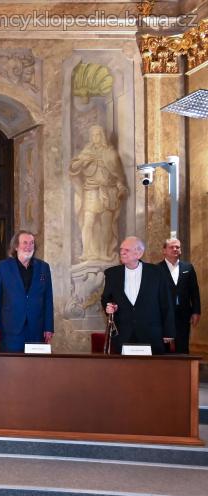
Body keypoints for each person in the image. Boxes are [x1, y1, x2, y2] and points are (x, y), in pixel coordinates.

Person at [102, 236, 175, 355]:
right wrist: (110, 306)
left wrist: (169, 332)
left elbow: (166, 303)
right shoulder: (112, 273)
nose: (122, 252)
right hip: (123, 334)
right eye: (121, 249)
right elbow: (106, 298)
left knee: (152, 367)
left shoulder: (157, 272)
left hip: (151, 334)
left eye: (127, 250)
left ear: (139, 253)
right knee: (123, 367)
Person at [69, 125, 128, 262]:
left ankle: (104, 252)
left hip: (108, 191)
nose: (96, 138)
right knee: (88, 220)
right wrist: (82, 161)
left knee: (106, 222)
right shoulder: (87, 151)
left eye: (98, 135)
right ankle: (86, 251)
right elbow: (73, 168)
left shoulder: (110, 153)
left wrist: (121, 187)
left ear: (103, 136)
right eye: (93, 135)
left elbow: (118, 175)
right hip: (91, 190)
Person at [0, 230, 54, 352]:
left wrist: (49, 327)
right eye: (25, 243)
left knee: (35, 363)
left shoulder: (43, 267)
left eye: (32, 243)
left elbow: (48, 299)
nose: (29, 246)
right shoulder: (2, 267)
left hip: (36, 329)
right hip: (10, 329)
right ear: (16, 246)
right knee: (12, 363)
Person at [158, 238, 201, 354]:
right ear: (164, 250)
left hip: (184, 313)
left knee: (182, 346)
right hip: (163, 315)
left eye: (177, 247)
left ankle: (182, 366)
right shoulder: (157, 269)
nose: (175, 249)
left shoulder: (188, 268)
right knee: (163, 348)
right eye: (171, 247)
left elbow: (194, 291)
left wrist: (196, 311)